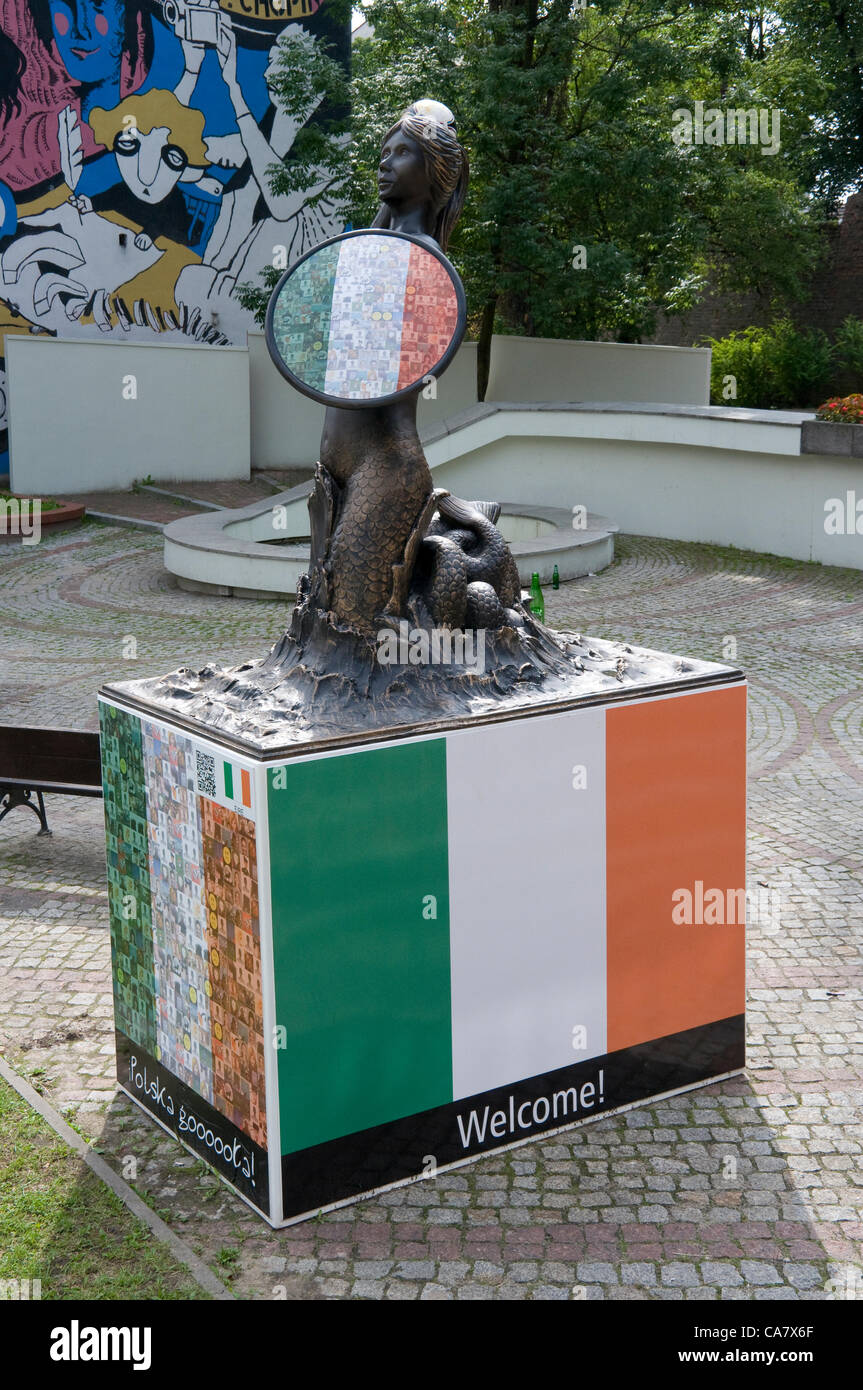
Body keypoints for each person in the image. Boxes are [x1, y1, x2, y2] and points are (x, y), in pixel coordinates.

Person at [314, 100, 469, 630]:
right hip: (337, 467)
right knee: (323, 622)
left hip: (385, 467)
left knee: (352, 630)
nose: (384, 162)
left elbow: (395, 364)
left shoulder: (419, 259)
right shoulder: (373, 249)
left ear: (435, 173)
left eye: (401, 153)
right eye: (384, 152)